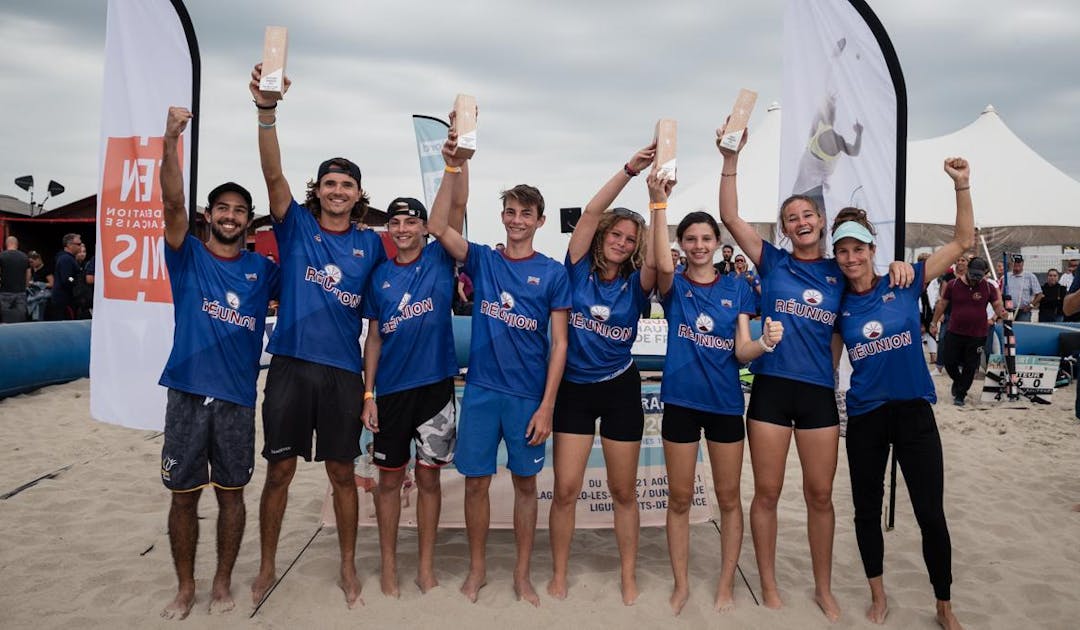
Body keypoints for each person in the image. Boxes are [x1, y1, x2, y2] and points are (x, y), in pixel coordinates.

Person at [716, 121, 911, 621]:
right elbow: (730, 216)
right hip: (771, 392)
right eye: (791, 217)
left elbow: (874, 286)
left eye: (807, 214)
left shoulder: (839, 272)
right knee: (767, 493)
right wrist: (730, 159)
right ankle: (769, 582)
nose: (800, 221)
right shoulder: (773, 262)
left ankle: (823, 588)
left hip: (820, 394)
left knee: (820, 495)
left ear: (821, 222)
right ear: (784, 228)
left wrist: (903, 268)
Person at [250, 64, 388, 608]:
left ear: (358, 195)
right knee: (280, 470)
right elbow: (272, 175)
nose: (337, 191)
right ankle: (265, 567)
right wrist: (267, 111)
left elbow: (390, 303)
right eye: (329, 183)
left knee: (341, 472)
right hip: (288, 363)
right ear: (319, 190)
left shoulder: (371, 244)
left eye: (346, 185)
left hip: (341, 372)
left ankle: (349, 569)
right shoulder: (297, 226)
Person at [427, 129, 571, 607]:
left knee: (527, 486)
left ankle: (523, 574)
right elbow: (437, 227)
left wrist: (547, 405)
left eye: (525, 214)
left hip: (528, 396)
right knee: (476, 483)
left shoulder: (552, 272)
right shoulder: (485, 260)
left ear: (540, 220)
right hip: (483, 389)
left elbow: (560, 344)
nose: (516, 220)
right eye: (510, 212)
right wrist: (455, 163)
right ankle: (477, 569)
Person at [832, 157, 972, 629]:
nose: (851, 258)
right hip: (866, 416)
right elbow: (829, 363)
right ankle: (878, 595)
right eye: (843, 252)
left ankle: (944, 606)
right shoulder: (839, 304)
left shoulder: (906, 281)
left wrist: (961, 186)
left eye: (858, 249)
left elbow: (962, 243)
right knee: (865, 511)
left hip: (913, 412)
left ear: (872, 249)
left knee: (930, 513)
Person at [156, 106, 280, 620]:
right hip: (187, 393)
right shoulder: (186, 254)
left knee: (232, 496)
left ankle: (223, 582)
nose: (230, 217)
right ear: (210, 214)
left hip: (235, 401)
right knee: (183, 498)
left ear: (249, 221)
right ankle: (186, 587)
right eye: (222, 209)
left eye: (240, 211)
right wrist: (170, 141)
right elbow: (171, 200)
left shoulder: (263, 271)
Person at [656, 198, 784, 613]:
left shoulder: (738, 287)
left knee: (728, 498)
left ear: (717, 243)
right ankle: (681, 585)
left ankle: (726, 583)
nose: (698, 245)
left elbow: (742, 350)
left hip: (725, 405)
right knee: (678, 499)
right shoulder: (673, 285)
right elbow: (658, 258)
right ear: (680, 243)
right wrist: (659, 200)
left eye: (705, 238)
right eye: (690, 239)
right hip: (680, 402)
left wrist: (763, 344)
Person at [545, 143, 658, 606]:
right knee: (567, 490)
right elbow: (591, 211)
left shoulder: (636, 284)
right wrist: (631, 169)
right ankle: (557, 574)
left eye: (632, 239)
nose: (623, 242)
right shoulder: (575, 271)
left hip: (619, 387)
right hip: (572, 389)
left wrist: (657, 200)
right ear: (603, 236)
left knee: (622, 491)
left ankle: (628, 576)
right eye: (617, 235)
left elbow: (657, 262)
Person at [360, 141, 468, 597]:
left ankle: (424, 566)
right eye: (395, 222)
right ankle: (388, 566)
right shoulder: (380, 275)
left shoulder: (440, 260)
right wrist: (368, 394)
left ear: (425, 227)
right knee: (388, 482)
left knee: (428, 480)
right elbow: (375, 337)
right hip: (390, 393)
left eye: (411, 221)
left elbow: (456, 206)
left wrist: (453, 164)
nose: (402, 228)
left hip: (435, 389)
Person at [930, 257, 1006, 406]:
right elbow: (942, 304)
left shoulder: (989, 287)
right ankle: (959, 382)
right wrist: (933, 322)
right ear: (968, 269)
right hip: (955, 331)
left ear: (985, 273)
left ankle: (960, 394)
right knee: (949, 362)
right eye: (973, 274)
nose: (975, 279)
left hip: (978, 334)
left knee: (970, 366)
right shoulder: (953, 284)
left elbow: (997, 304)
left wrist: (1001, 313)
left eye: (979, 276)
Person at [49, 233, 82, 320]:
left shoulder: (69, 258)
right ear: (69, 245)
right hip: (64, 301)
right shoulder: (66, 259)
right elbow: (67, 278)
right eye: (78, 244)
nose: (80, 246)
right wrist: (75, 281)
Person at [0, 235, 29, 323]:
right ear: (17, 244)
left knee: (4, 317)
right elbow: (28, 274)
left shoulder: (1, 256)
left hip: (5, 291)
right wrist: (25, 286)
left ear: (6, 244)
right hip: (20, 291)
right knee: (20, 317)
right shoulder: (25, 257)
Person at [1005, 254, 1041, 321]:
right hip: (1009, 310)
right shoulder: (1006, 276)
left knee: (1022, 329)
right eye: (1015, 262)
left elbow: (1039, 294)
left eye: (1019, 262)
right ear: (1011, 263)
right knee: (1008, 329)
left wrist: (1031, 305)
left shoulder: (1030, 276)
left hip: (1023, 311)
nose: (1017, 264)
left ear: (1023, 263)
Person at [26, 251, 51, 321]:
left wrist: (39, 284)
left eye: (32, 262)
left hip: (42, 297)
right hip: (33, 295)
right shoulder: (32, 270)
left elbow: (52, 283)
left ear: (38, 259)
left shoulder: (46, 269)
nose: (31, 264)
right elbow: (27, 283)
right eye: (29, 263)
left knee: (39, 316)